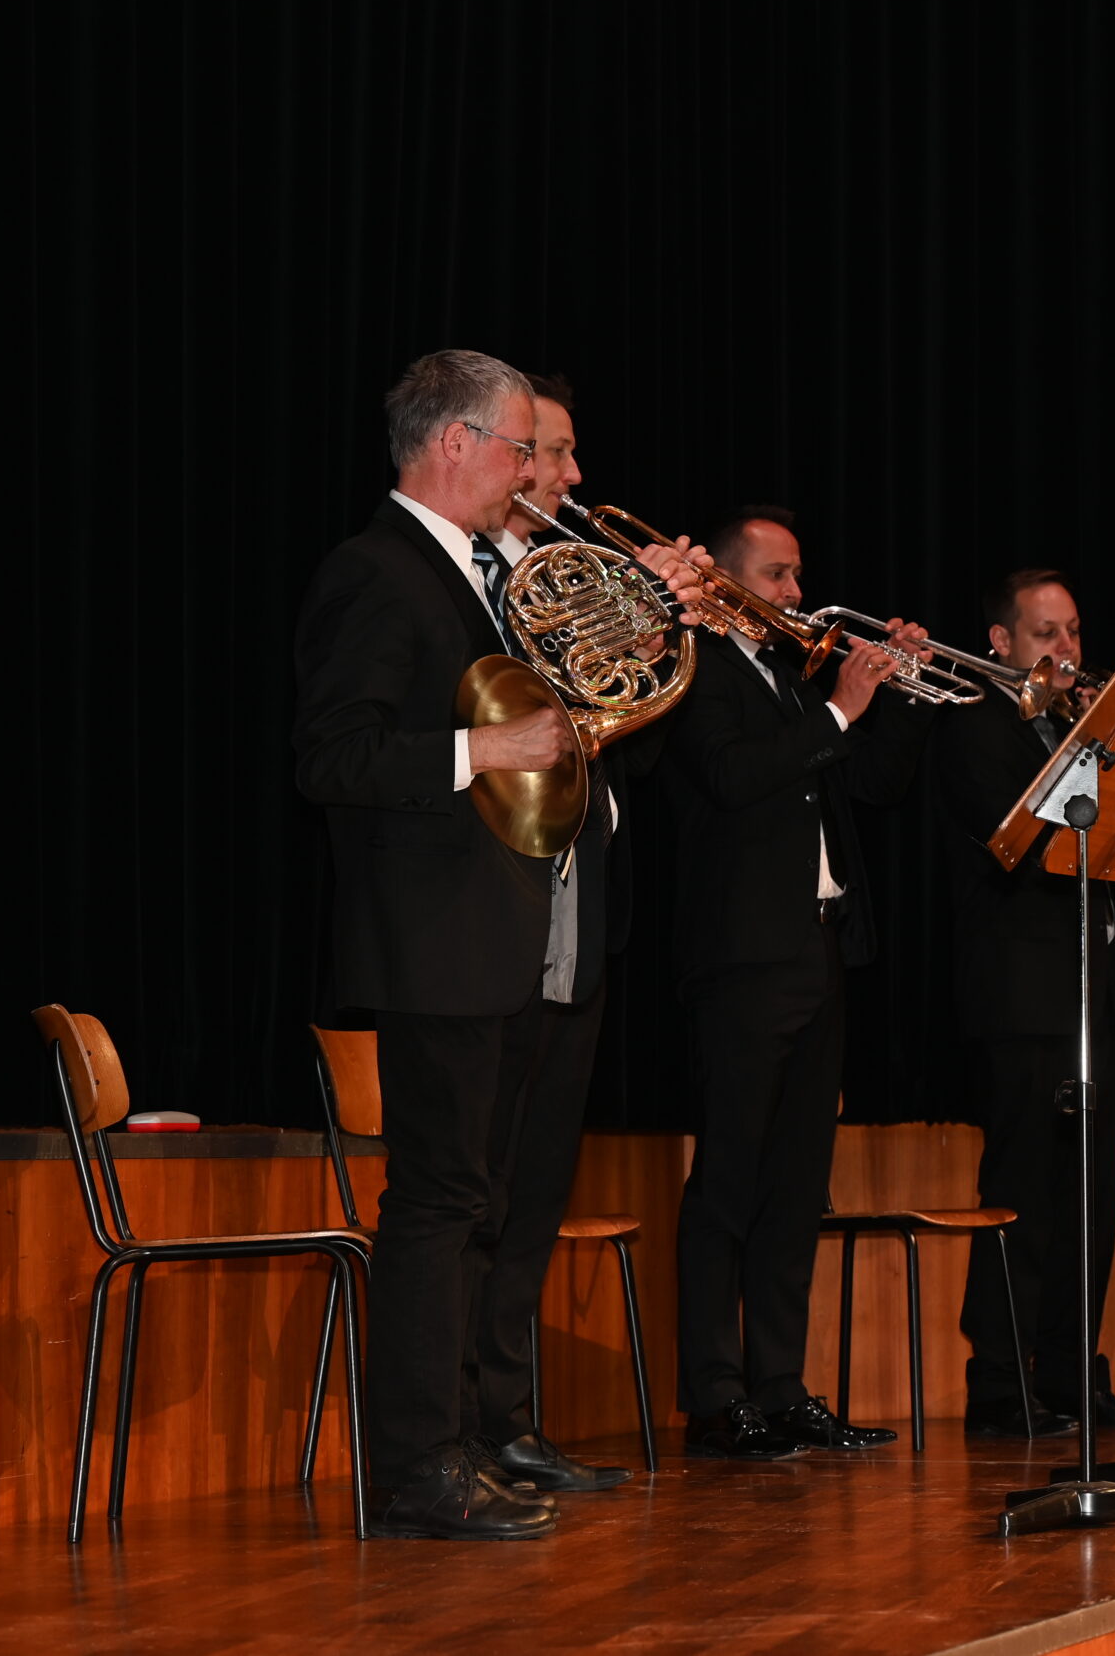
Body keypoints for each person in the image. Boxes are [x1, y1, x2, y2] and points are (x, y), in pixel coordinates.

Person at [292, 350, 699, 1539]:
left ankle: (468, 1441)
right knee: (436, 1205)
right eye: (522, 447)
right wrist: (481, 754)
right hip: (437, 944)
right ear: (455, 441)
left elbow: (584, 704)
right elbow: (331, 756)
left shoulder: (477, 573)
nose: (537, 470)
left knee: (481, 1204)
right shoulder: (376, 570)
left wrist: (652, 609)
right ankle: (416, 1466)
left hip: (506, 938)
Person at [661, 507, 936, 1459]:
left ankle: (779, 1386)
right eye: (777, 577)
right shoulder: (691, 665)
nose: (795, 594)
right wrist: (836, 709)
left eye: (796, 575)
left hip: (817, 951)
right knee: (729, 1180)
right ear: (731, 581)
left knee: (794, 1187)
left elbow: (881, 783)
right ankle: (714, 1393)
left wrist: (886, 691)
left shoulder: (785, 675)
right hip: (741, 958)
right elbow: (733, 778)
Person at [460, 372, 688, 1492]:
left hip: (577, 923)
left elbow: (614, 740)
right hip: (491, 925)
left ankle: (502, 1417)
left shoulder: (551, 579)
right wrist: (633, 601)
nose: (571, 476)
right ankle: (453, 1429)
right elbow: (515, 707)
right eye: (553, 453)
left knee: (536, 1187)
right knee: (477, 1192)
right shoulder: (476, 586)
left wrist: (653, 628)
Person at [932, 568, 1115, 1437]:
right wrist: (1087, 743)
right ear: (1001, 643)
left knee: (1091, 1204)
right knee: (1025, 1194)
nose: (1066, 653)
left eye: (1072, 632)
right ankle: (999, 1380)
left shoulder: (1083, 730)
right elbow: (1023, 844)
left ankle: (1073, 1374)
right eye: (1045, 636)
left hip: (1098, 997)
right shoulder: (976, 729)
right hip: (1025, 999)